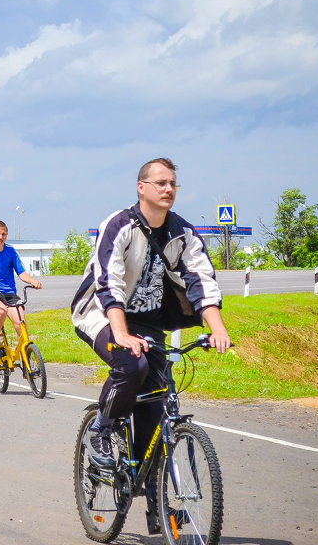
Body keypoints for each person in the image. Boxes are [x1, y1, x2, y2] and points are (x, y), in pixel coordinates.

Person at [70, 158, 230, 532]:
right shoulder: (119, 225)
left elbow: (202, 279)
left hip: (150, 323)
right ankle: (102, 429)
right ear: (141, 187)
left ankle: (154, 502)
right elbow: (107, 281)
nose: (168, 189)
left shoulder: (181, 232)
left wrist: (217, 328)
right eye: (160, 183)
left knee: (158, 408)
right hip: (101, 312)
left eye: (173, 183)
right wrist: (122, 333)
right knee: (132, 366)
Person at [0, 219, 42, 359]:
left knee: (20, 322)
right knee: (1, 311)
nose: (0, 237)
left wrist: (32, 281)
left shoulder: (10, 251)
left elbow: (21, 273)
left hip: (9, 294)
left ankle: (27, 357)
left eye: (4, 234)